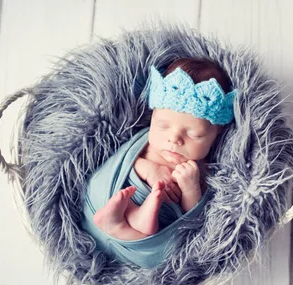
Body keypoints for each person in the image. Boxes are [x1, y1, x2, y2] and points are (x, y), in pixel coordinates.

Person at [81, 57, 237, 268]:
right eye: (163, 126)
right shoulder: (148, 143)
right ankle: (130, 220)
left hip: (147, 236)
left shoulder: (200, 171)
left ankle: (121, 227)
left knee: (171, 249)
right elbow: (125, 159)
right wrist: (149, 169)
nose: (174, 139)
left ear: (216, 133)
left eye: (194, 134)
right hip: (112, 196)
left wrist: (190, 188)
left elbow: (190, 216)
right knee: (120, 198)